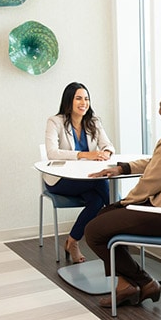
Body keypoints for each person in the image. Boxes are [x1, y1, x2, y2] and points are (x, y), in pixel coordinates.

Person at [84, 86, 161, 308]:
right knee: (106, 217)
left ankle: (144, 282)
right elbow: (156, 163)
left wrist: (124, 203)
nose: (159, 112)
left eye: (160, 106)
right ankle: (125, 286)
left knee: (93, 230)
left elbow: (151, 181)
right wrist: (123, 168)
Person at [44, 82, 115, 264]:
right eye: (79, 98)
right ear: (69, 101)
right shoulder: (55, 121)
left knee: (97, 200)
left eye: (86, 99)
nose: (84, 103)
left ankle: (72, 241)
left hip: (86, 180)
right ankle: (120, 219)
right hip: (61, 180)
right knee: (101, 182)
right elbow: (52, 152)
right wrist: (85, 154)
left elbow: (108, 145)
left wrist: (105, 153)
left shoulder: (94, 122)